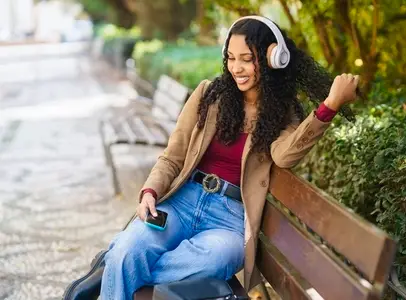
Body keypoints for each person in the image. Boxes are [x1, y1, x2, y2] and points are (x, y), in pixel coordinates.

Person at [100, 15, 360, 300]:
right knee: (128, 251)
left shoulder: (282, 114)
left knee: (215, 260)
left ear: (273, 59)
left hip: (230, 219)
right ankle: (120, 263)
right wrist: (150, 191)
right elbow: (173, 155)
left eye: (247, 59)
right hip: (182, 201)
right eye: (232, 58)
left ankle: (116, 271)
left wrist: (329, 105)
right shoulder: (208, 95)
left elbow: (286, 157)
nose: (237, 68)